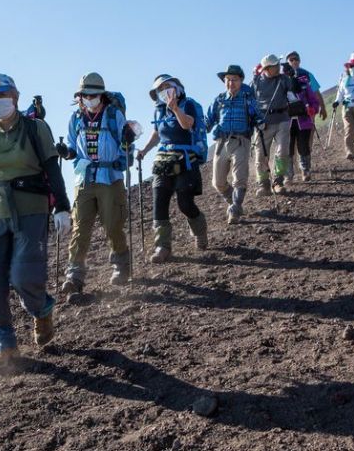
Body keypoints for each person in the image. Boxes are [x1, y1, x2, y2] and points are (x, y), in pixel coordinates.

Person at [0, 74, 72, 374]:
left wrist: (62, 206)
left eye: (2, 95)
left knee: (23, 275)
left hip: (31, 211)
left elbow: (51, 167)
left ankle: (41, 309)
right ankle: (3, 344)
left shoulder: (35, 129)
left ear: (15, 97)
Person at [56, 72, 132, 294]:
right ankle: (75, 275)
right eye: (85, 95)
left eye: (93, 94)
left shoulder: (114, 115)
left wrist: (125, 149)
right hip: (85, 179)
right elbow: (72, 147)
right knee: (80, 227)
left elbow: (126, 147)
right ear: (80, 97)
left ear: (101, 95)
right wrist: (66, 152)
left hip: (110, 179)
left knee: (113, 224)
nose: (89, 99)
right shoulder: (76, 118)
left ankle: (120, 266)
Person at [135, 74, 208, 263]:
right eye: (160, 89)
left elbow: (187, 125)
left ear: (177, 87)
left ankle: (200, 230)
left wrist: (175, 109)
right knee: (159, 201)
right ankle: (163, 246)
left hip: (186, 159)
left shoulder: (189, 104)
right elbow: (158, 133)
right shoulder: (158, 110)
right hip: (163, 159)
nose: (164, 91)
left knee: (185, 204)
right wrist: (144, 150)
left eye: (167, 86)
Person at [206, 64, 258, 224]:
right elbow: (208, 121)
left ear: (241, 80)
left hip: (241, 141)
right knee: (218, 182)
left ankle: (235, 208)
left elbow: (257, 115)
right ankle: (233, 202)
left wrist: (260, 120)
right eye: (228, 80)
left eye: (234, 80)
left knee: (239, 178)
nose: (230, 83)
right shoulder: (219, 99)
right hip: (221, 142)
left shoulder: (248, 98)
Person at [250, 54, 295, 195]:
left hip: (283, 119)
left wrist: (291, 75)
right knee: (261, 155)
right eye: (274, 66)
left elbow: (295, 88)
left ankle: (278, 181)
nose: (278, 68)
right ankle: (263, 184)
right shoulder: (256, 83)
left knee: (282, 152)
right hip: (263, 122)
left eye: (278, 65)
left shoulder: (283, 79)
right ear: (266, 68)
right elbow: (250, 102)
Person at [283, 59, 321, 181]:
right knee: (287, 148)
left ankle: (305, 171)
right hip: (286, 122)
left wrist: (313, 109)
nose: (288, 74)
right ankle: (288, 174)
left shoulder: (303, 83)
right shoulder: (280, 87)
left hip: (303, 120)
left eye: (290, 72)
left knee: (303, 146)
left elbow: (313, 100)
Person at [285, 51, 327, 121]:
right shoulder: (283, 77)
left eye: (296, 59)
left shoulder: (308, 74)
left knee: (310, 130)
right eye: (291, 60)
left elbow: (316, 91)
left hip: (308, 109)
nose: (294, 61)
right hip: (291, 110)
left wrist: (323, 108)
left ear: (300, 61)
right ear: (287, 62)